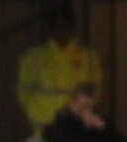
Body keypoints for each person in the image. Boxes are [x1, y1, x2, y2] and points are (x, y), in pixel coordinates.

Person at [16, 6, 102, 134]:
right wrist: (34, 113)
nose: (62, 32)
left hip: (76, 126)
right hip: (44, 127)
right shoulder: (33, 58)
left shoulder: (88, 58)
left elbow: (95, 90)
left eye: (66, 27)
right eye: (58, 27)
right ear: (51, 29)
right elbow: (23, 92)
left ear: (73, 29)